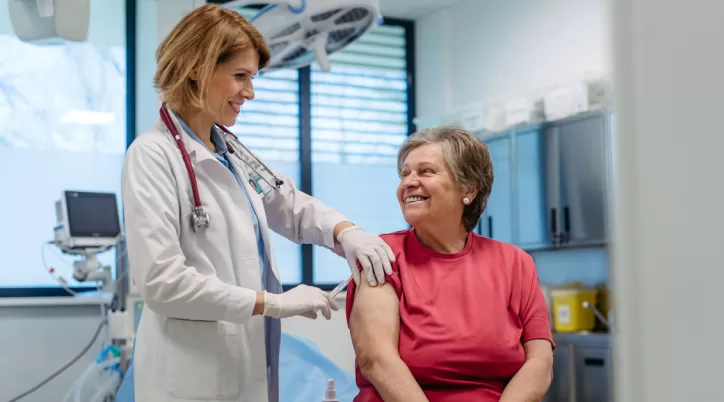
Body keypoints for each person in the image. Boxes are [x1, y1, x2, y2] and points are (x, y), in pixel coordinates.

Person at [121, 5, 394, 402]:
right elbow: (162, 283)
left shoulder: (230, 150)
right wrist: (271, 303)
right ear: (196, 68)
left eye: (252, 78)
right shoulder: (152, 156)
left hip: (246, 365)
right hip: (190, 379)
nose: (250, 92)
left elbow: (288, 204)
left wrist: (346, 232)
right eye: (240, 76)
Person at [345, 126, 555, 401]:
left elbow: (540, 362)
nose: (409, 182)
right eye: (405, 174)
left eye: (426, 171)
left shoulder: (516, 263)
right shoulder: (382, 256)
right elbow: (376, 360)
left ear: (468, 189)